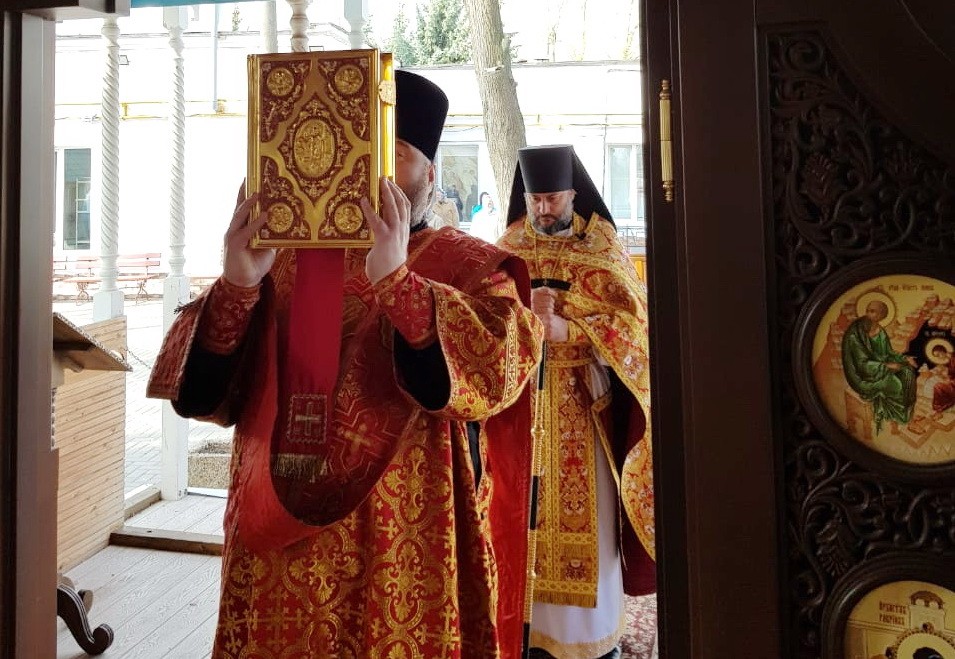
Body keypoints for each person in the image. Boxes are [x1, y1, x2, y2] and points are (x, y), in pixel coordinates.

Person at [147, 70, 543, 658]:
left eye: (396, 154)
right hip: (274, 541)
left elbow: (499, 370)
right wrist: (236, 284)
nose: (372, 174)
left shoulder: (467, 264)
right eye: (362, 153)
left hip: (401, 538)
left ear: (431, 174)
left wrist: (400, 285)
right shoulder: (275, 259)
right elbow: (200, 395)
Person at [497, 144, 655, 659]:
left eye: (552, 199)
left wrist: (573, 329)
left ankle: (588, 640)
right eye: (535, 200)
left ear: (572, 194)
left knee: (591, 524)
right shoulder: (509, 248)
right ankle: (526, 633)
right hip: (522, 406)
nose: (543, 209)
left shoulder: (603, 249)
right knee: (519, 514)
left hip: (583, 410)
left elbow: (635, 328)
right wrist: (525, 313)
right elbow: (486, 314)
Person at [842, 299, 918, 433]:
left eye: (873, 312)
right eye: (868, 310)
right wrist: (886, 366)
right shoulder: (855, 334)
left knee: (908, 373)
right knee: (896, 385)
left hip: (881, 368)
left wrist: (904, 359)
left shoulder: (880, 331)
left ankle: (908, 416)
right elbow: (861, 364)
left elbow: (888, 353)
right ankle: (903, 419)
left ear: (881, 316)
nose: (868, 314)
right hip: (865, 375)